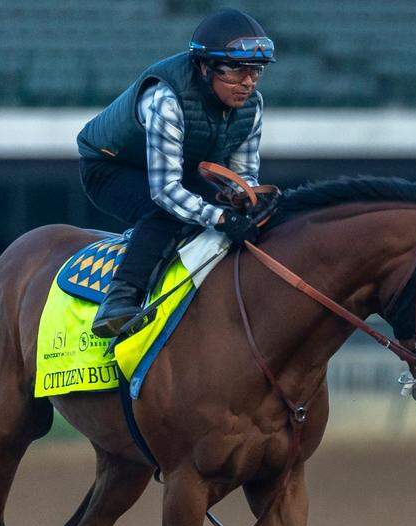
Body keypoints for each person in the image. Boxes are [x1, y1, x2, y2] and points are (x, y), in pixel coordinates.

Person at [76, 8, 274, 338]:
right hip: (110, 167)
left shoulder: (253, 106)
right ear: (204, 67)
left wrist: (246, 206)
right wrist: (222, 220)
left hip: (177, 167)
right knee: (169, 214)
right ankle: (121, 299)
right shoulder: (165, 98)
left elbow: (242, 176)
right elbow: (166, 191)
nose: (248, 83)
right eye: (236, 71)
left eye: (255, 72)